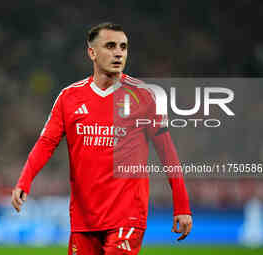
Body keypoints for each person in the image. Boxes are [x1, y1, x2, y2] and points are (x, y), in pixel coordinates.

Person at [11, 22, 192, 254]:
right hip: (84, 218)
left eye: (123, 47)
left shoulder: (144, 96)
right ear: (92, 53)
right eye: (110, 46)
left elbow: (168, 153)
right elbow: (46, 143)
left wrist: (182, 205)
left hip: (127, 215)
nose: (118, 52)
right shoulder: (69, 97)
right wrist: (24, 181)